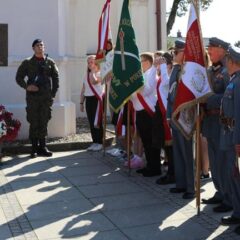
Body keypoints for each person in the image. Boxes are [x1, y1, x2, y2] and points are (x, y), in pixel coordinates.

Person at [201, 37, 232, 213]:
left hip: (223, 123)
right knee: (214, 161)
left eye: (211, 48)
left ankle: (229, 198)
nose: (209, 52)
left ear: (221, 49)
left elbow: (230, 98)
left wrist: (209, 99)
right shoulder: (210, 71)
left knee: (224, 162)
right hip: (210, 122)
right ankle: (220, 192)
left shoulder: (229, 71)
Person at [16, 39, 59, 158]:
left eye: (42, 45)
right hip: (32, 98)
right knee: (34, 121)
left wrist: (53, 94)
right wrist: (27, 86)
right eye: (37, 45)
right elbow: (18, 77)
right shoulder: (28, 62)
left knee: (44, 121)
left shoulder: (50, 62)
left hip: (46, 98)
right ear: (33, 48)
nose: (40, 47)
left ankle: (43, 147)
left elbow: (56, 78)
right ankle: (34, 148)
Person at [167, 40, 195, 199]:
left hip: (185, 117)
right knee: (178, 152)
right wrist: (169, 115)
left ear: (183, 53)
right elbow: (170, 95)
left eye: (175, 53)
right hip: (175, 116)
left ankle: (191, 188)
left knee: (186, 152)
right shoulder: (176, 69)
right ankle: (181, 184)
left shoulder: (187, 70)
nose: (173, 55)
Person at [218, 46, 240, 233]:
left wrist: (237, 140)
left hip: (235, 137)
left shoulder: (239, 82)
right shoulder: (233, 80)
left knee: (237, 177)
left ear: (233, 61)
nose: (225, 63)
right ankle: (238, 212)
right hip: (229, 133)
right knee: (233, 177)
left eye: (227, 60)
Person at [131, 52, 162, 177]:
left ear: (148, 62)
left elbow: (147, 90)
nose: (140, 63)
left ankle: (155, 168)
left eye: (141, 61)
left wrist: (136, 86)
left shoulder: (152, 74)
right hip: (140, 111)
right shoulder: (143, 74)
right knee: (145, 140)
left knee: (151, 141)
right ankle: (149, 165)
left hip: (148, 112)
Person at [154, 51, 175, 185]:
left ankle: (173, 173)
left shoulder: (170, 75)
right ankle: (170, 173)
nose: (157, 64)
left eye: (160, 62)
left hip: (169, 116)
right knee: (167, 147)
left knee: (171, 147)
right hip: (163, 115)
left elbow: (167, 84)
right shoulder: (163, 75)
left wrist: (162, 67)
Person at [80, 55, 103, 151]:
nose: (89, 64)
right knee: (91, 121)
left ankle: (100, 142)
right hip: (89, 99)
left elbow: (94, 82)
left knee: (97, 121)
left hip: (97, 99)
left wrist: (93, 72)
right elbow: (83, 89)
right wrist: (81, 102)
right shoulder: (87, 74)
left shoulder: (100, 73)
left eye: (91, 62)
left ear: (96, 63)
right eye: (88, 62)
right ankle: (94, 142)